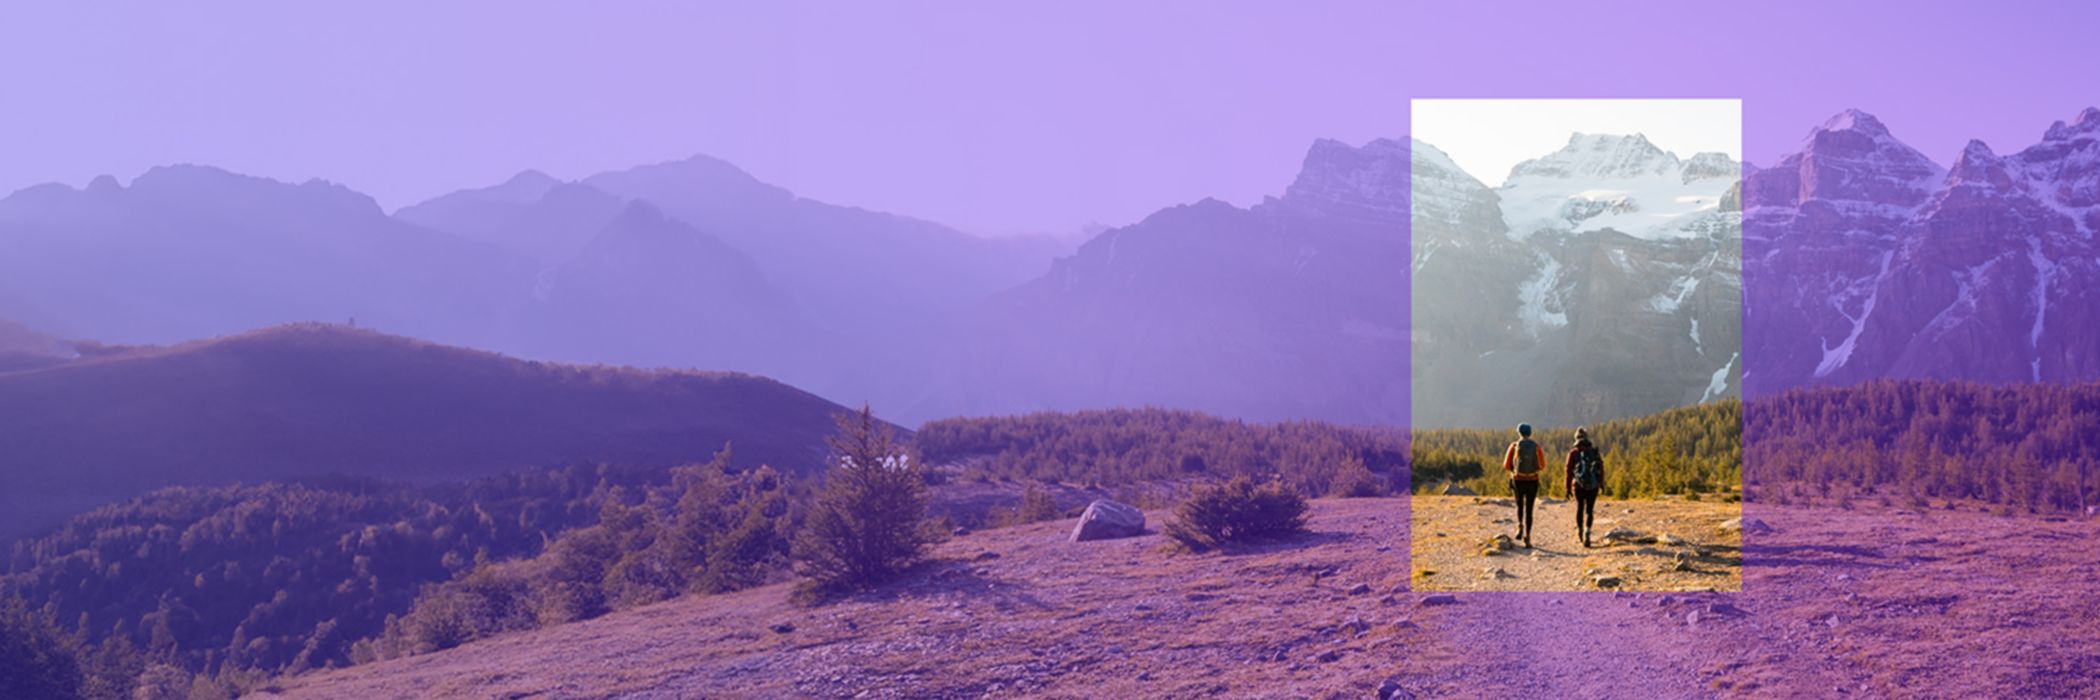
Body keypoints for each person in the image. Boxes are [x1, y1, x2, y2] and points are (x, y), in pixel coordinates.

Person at [1501, 423, 1548, 548]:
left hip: (1518, 479)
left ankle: (1520, 524)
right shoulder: (1536, 447)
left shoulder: (1514, 446)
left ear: (1519, 433)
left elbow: (1506, 465)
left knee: (1520, 504)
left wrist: (1514, 469)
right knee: (1530, 508)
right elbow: (1542, 466)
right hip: (1533, 480)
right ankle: (1528, 536)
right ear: (1530, 433)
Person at [1565, 427, 1606, 548]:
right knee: (1590, 510)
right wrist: (1602, 483)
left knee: (1580, 508)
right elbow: (1601, 468)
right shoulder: (1594, 451)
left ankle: (1580, 531)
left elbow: (1568, 471)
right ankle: (1588, 531)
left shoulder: (1573, 452)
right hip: (1593, 486)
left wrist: (1567, 488)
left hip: (1578, 486)